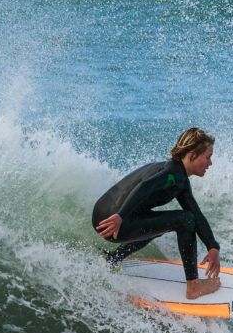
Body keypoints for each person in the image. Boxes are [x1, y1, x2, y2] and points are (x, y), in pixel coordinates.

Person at [92, 127, 221, 300]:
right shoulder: (171, 174)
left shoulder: (176, 175)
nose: (210, 163)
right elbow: (145, 186)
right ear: (192, 155)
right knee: (184, 220)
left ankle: (114, 258)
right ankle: (193, 286)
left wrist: (212, 246)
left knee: (164, 223)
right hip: (114, 223)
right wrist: (120, 216)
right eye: (208, 157)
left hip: (105, 215)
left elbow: (196, 212)